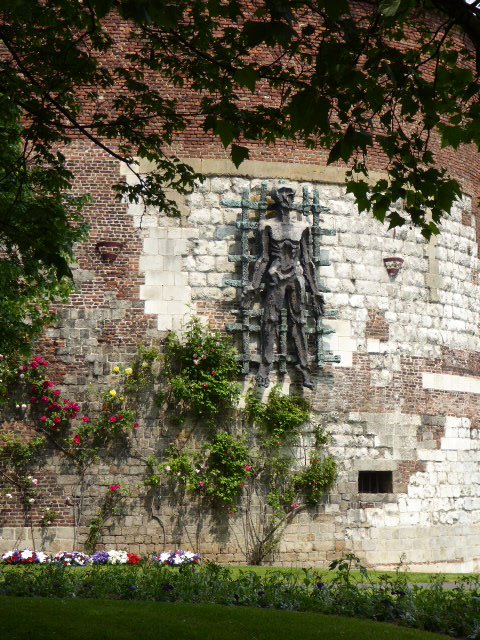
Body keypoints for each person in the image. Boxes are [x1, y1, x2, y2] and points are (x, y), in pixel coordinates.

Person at [242, 186, 325, 389]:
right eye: (285, 195)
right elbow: (263, 258)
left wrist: (315, 292)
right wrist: (252, 287)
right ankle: (265, 366)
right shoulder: (267, 226)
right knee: (269, 319)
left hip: (296, 278)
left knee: (299, 322)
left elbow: (307, 261)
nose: (289, 198)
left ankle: (304, 369)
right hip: (275, 276)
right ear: (277, 200)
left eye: (290, 195)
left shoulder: (302, 227)